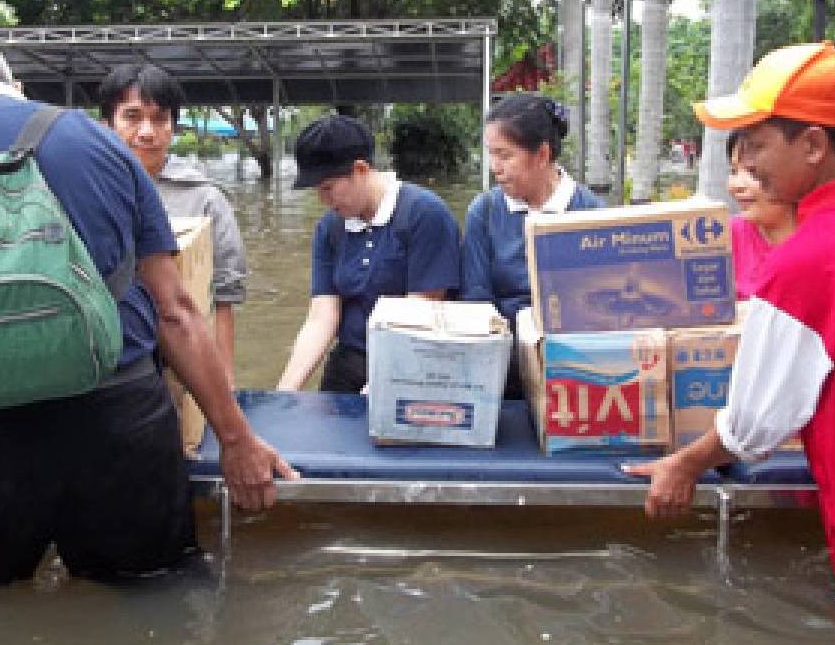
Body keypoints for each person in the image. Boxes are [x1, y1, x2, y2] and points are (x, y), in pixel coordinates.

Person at [0, 31, 296, 590]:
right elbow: (177, 310)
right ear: (13, 84)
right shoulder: (101, 142)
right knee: (156, 600)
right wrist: (237, 440)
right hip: (119, 422)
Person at [627, 42, 835, 616]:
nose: (746, 165)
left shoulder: (805, 261)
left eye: (756, 145)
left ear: (812, 144)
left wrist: (685, 463)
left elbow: (753, 426)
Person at [277, 114, 461, 393]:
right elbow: (322, 316)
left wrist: (384, 384)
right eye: (318, 190)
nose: (323, 200)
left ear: (361, 170)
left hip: (414, 363)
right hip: (350, 361)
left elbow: (422, 308)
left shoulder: (425, 214)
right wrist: (284, 392)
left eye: (328, 188)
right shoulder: (330, 227)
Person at [97, 63, 248, 384]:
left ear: (173, 128)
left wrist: (225, 385)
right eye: (132, 117)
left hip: (183, 364)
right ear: (106, 126)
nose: (147, 132)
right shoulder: (86, 191)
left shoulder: (205, 199)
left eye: (160, 119)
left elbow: (223, 301)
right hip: (107, 363)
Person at [460, 94, 605, 397]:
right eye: (491, 154)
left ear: (542, 154)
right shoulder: (484, 211)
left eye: (505, 155)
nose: (495, 167)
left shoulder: (592, 213)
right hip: (502, 362)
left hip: (574, 365)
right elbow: (476, 298)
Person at [726, 131, 797, 300]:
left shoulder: (825, 241)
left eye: (752, 171)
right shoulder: (724, 236)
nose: (736, 185)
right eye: (734, 171)